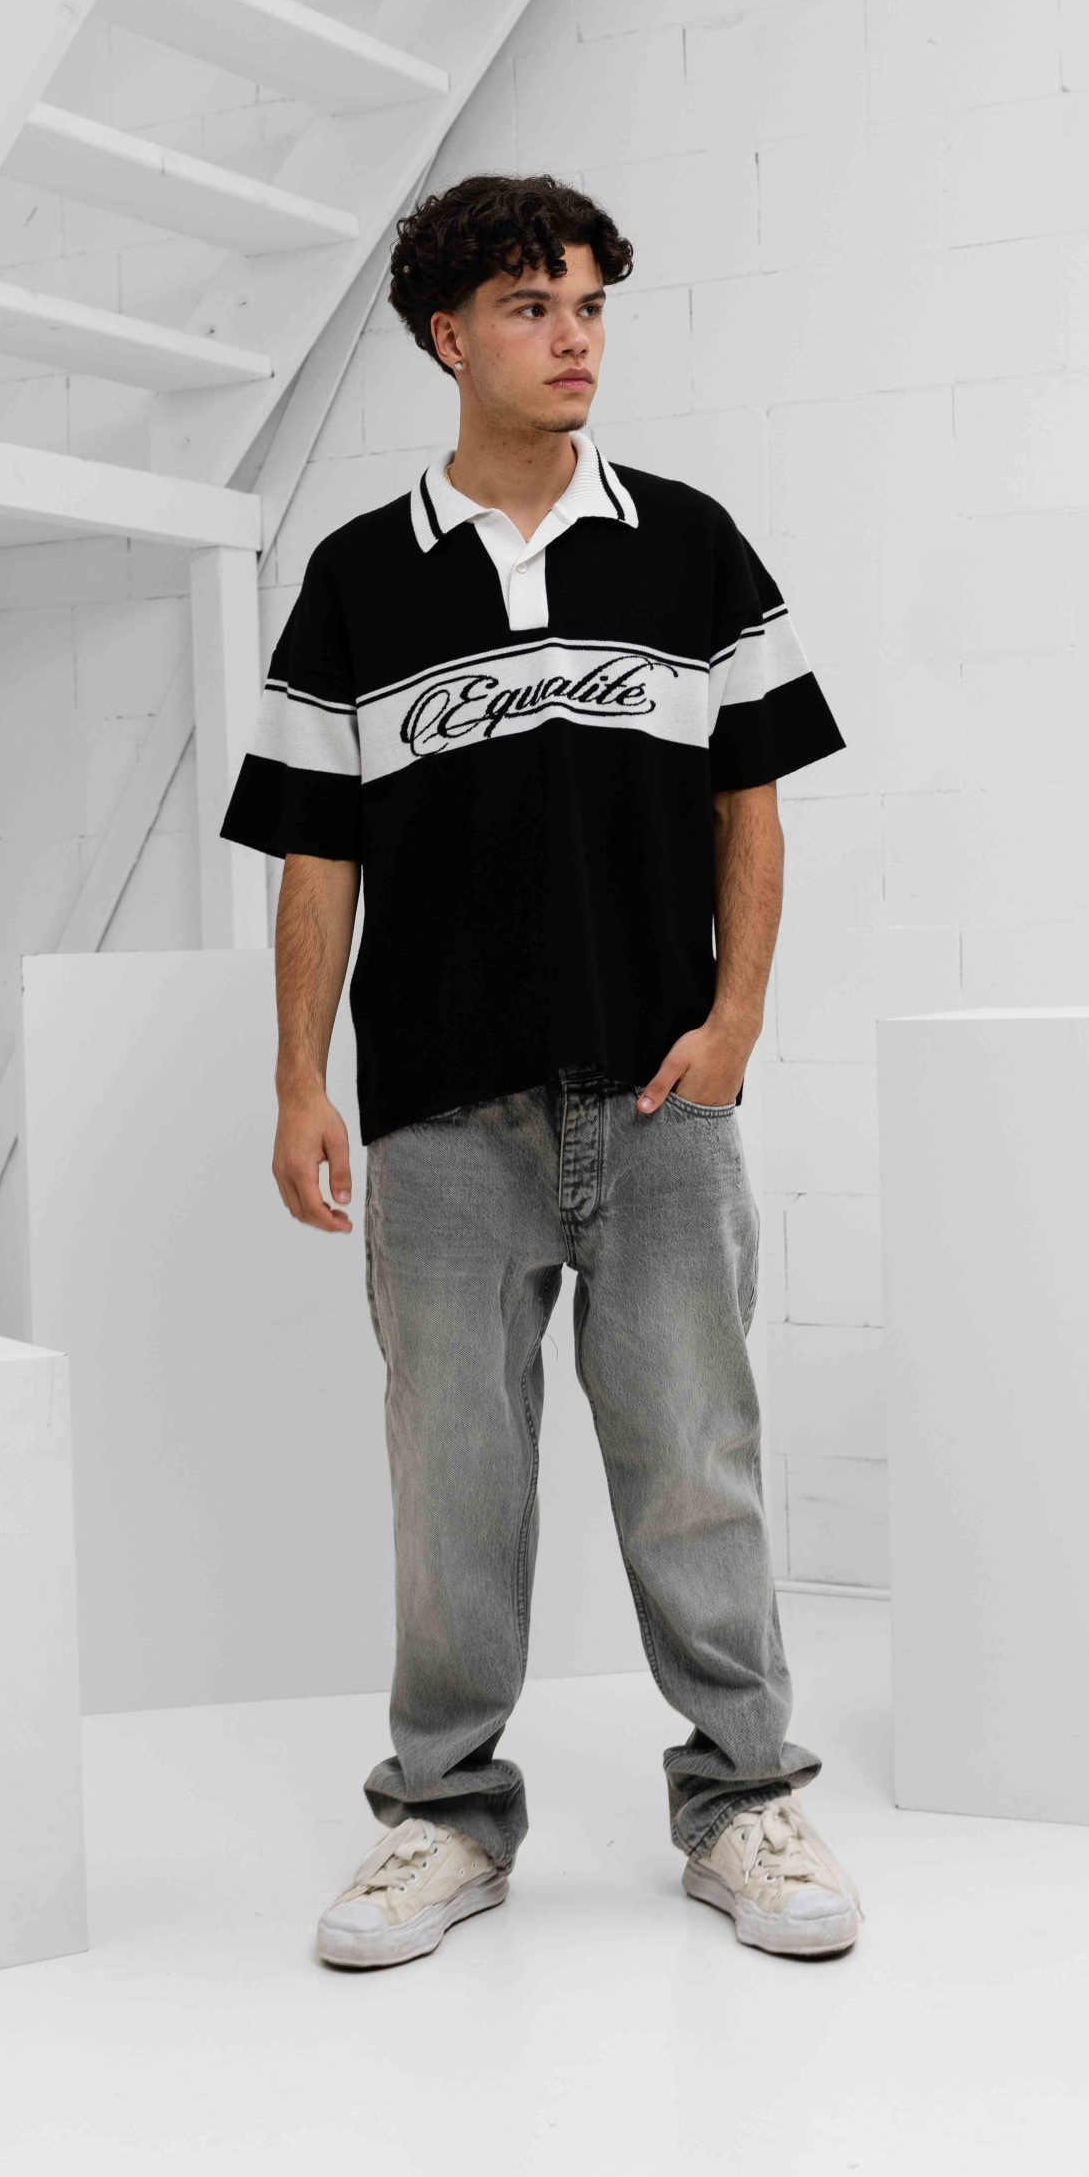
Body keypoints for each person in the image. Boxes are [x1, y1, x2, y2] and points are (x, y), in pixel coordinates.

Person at [220, 172, 864, 1971]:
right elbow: (316, 853)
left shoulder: (692, 546)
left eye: (590, 304)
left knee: (695, 1466)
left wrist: (737, 1021)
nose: (575, 337)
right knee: (453, 1488)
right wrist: (298, 1081)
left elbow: (752, 803)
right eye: (532, 306)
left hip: (662, 1098)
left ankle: (744, 1799)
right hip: (441, 1111)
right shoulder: (358, 580)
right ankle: (441, 1817)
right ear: (449, 336)